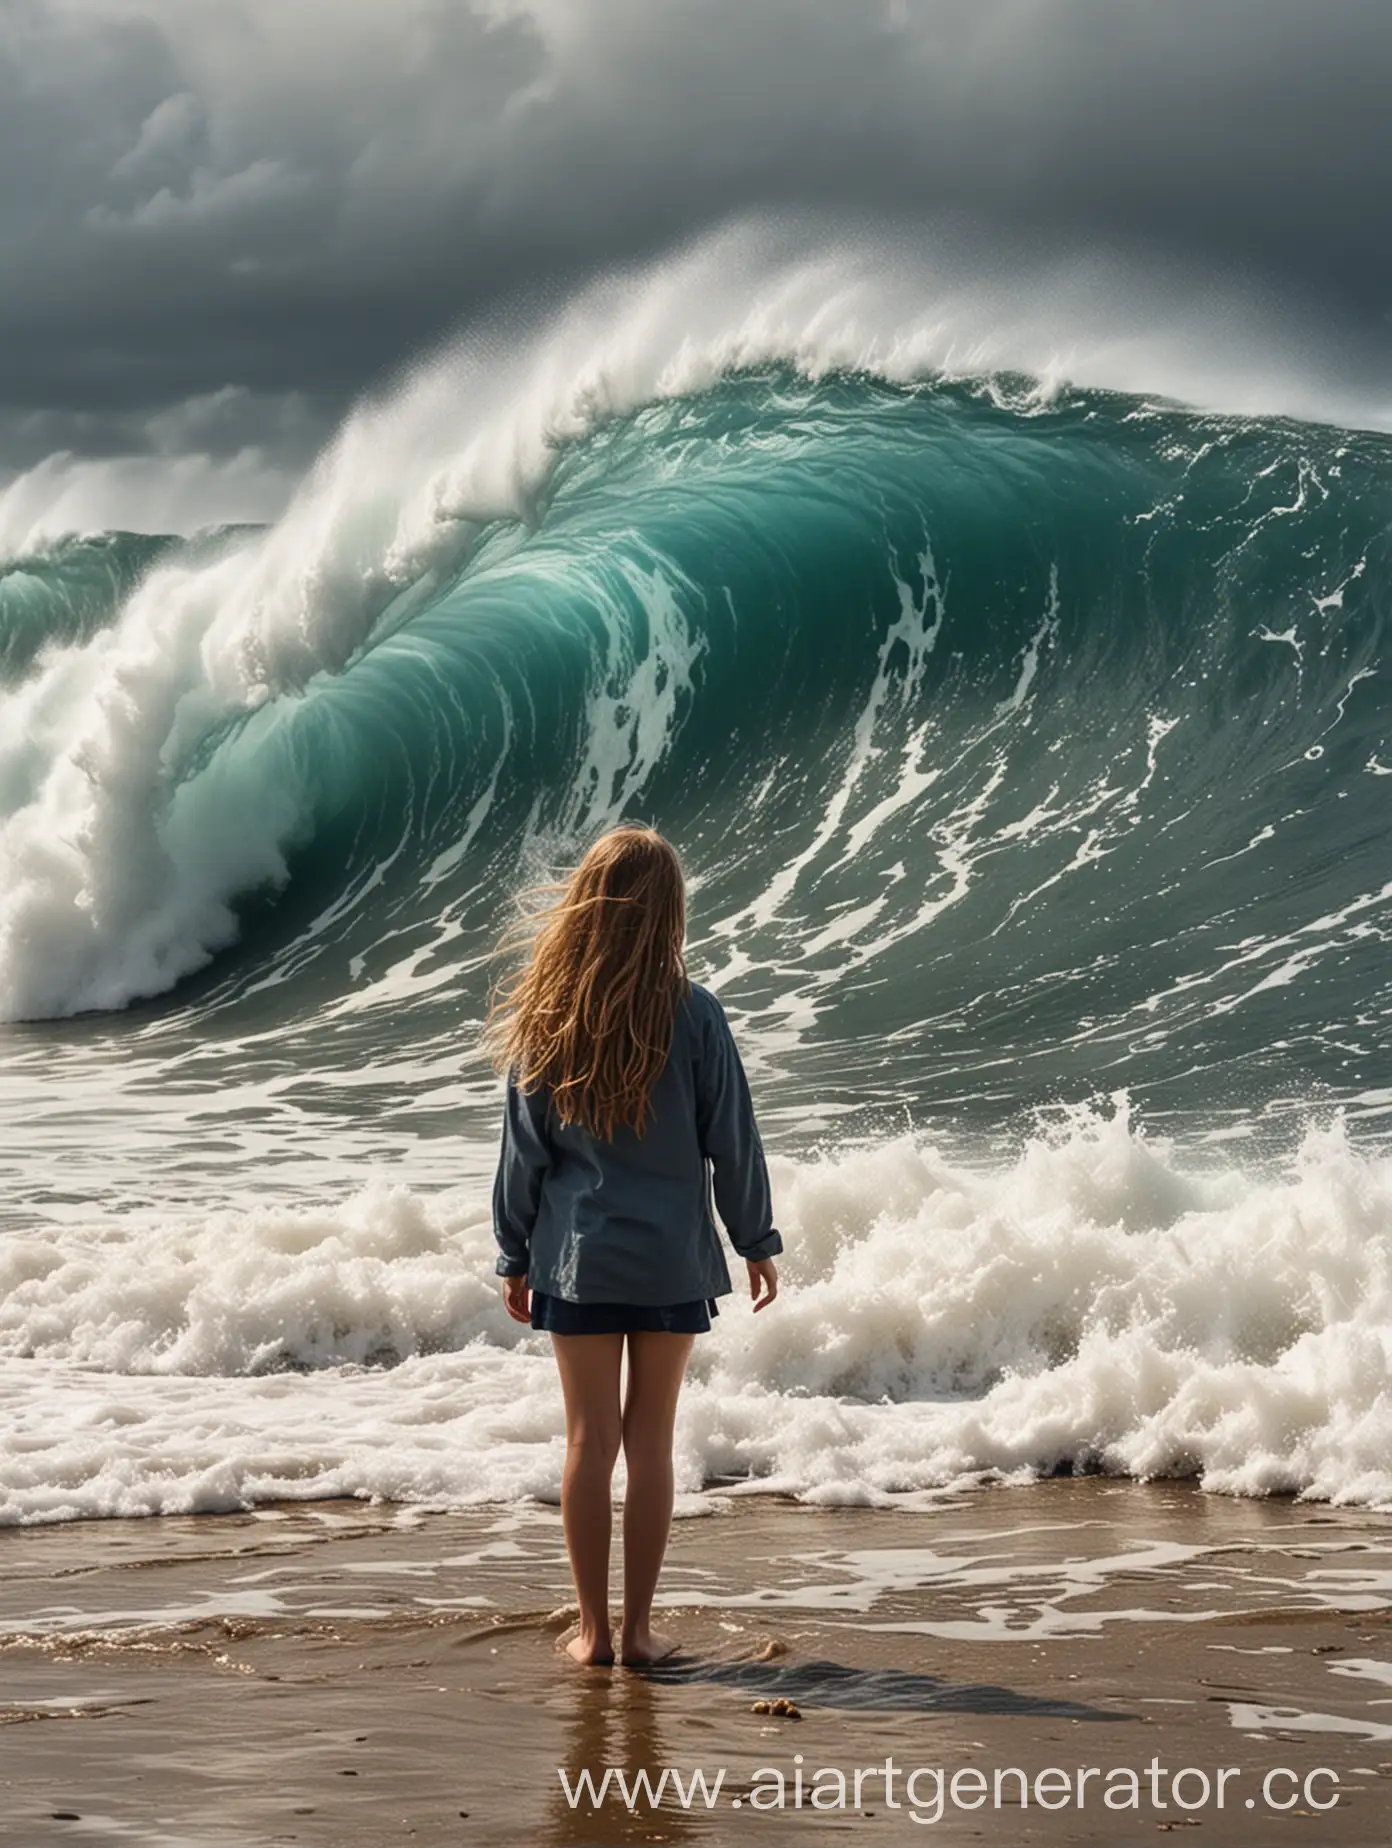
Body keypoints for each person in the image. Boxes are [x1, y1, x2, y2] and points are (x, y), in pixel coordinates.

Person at [489, 825, 782, 1667]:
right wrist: (755, 1238)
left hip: (578, 1262)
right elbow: (734, 1138)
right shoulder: (695, 1014)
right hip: (669, 1262)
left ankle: (592, 1633)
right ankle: (642, 1630)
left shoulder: (551, 1017)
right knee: (651, 1441)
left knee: (588, 1444)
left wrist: (512, 1252)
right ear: (669, 914)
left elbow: (524, 1154)